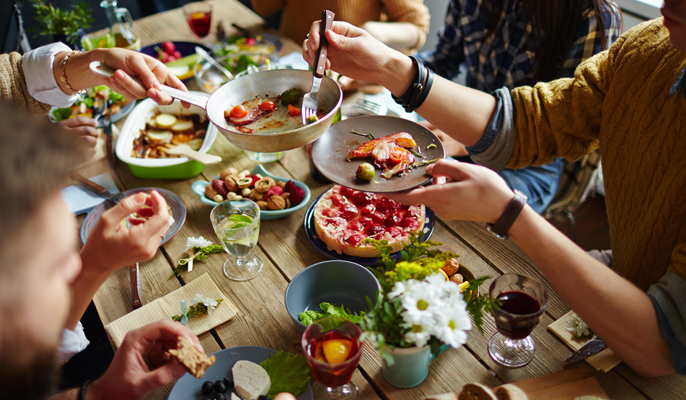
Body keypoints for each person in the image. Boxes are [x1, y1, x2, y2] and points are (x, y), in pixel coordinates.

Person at [302, 0, 686, 377]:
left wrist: (508, 212)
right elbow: (535, 120)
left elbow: (663, 346)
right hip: (623, 276)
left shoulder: (596, 16)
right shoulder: (650, 43)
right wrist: (389, 66)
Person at [415, 0, 621, 214]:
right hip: (463, 133)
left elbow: (568, 128)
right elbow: (442, 61)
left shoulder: (592, 15)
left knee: (441, 209)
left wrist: (469, 139)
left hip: (530, 167)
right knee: (406, 184)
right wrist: (398, 69)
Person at [251, 0, 430, 52]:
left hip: (351, 80)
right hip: (290, 58)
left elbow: (417, 29)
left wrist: (373, 31)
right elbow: (263, 7)